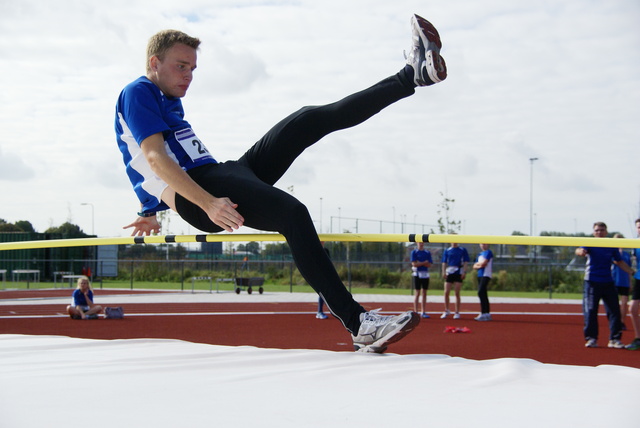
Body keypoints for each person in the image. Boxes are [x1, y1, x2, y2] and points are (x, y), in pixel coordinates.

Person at [115, 14, 447, 353]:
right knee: (293, 213)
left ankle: (412, 75)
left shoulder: (167, 99)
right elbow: (154, 158)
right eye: (181, 66)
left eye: (193, 69)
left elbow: (143, 162)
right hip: (205, 191)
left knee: (306, 120)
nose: (188, 76)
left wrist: (148, 208)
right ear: (154, 63)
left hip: (222, 174)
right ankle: (358, 324)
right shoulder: (138, 91)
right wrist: (207, 203)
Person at [575, 222, 634, 349]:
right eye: (597, 230)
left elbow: (619, 261)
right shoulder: (590, 243)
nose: (599, 232)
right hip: (591, 282)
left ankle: (615, 339)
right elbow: (579, 250)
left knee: (614, 311)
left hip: (608, 281)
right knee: (591, 311)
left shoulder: (611, 245)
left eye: (602, 230)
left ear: (606, 232)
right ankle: (591, 338)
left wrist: (632, 272)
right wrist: (581, 251)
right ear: (593, 232)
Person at [440, 243, 469, 319]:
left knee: (457, 292)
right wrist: (443, 271)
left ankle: (457, 312)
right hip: (449, 271)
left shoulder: (462, 250)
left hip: (458, 271)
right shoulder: (447, 250)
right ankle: (446, 310)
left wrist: (464, 272)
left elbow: (466, 261)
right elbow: (444, 262)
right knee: (446, 292)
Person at [612, 233, 631, 330]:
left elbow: (628, 269)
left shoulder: (627, 255)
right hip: (614, 280)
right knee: (614, 303)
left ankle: (622, 322)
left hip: (624, 282)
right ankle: (615, 322)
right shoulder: (611, 253)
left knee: (624, 303)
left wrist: (630, 282)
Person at [626, 219, 640, 350]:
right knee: (633, 309)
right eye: (639, 227)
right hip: (639, 278)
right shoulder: (635, 244)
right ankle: (638, 338)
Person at [410, 242, 433, 318]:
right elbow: (414, 264)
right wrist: (424, 263)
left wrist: (420, 263)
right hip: (417, 274)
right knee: (417, 292)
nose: (421, 244)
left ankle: (423, 311)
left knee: (424, 292)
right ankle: (416, 311)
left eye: (422, 243)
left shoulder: (427, 252)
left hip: (425, 274)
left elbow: (429, 264)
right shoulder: (414, 252)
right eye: (420, 243)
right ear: (417, 243)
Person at [472, 243, 493, 321]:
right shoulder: (480, 254)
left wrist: (479, 265)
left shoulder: (488, 252)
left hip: (486, 274)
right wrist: (478, 265)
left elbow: (484, 263)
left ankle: (484, 312)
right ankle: (486, 313)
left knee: (480, 292)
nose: (483, 245)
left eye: (485, 244)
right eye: (482, 244)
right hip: (480, 275)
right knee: (483, 293)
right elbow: (474, 266)